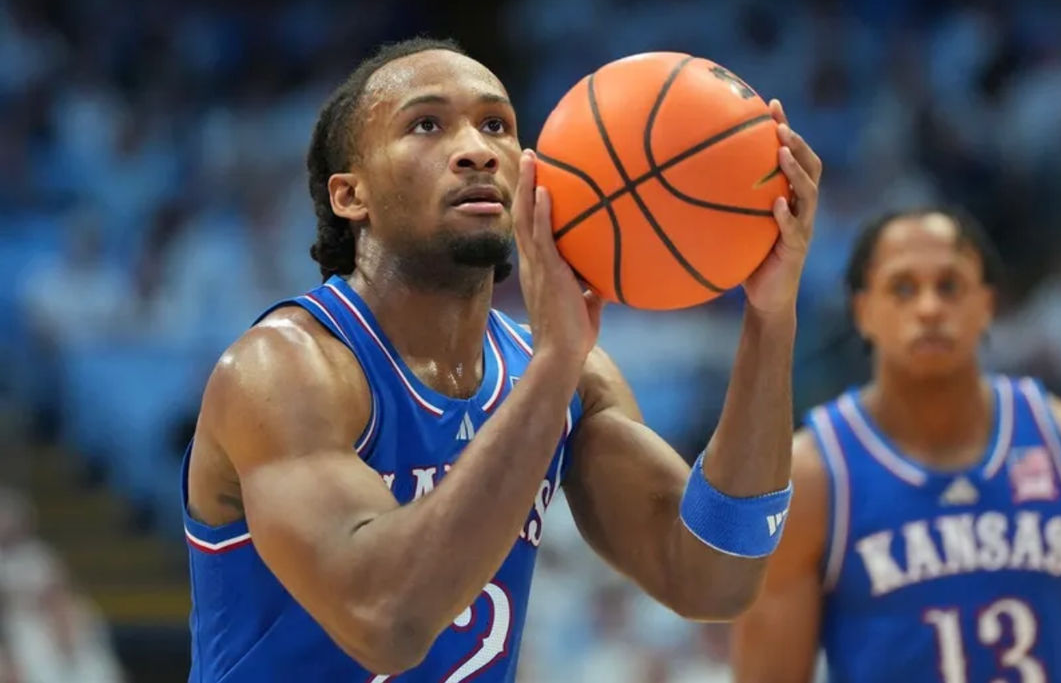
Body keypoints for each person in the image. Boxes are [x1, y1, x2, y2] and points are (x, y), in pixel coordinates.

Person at [182, 37, 822, 681]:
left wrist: (770, 320)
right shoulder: (284, 371)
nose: (477, 149)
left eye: (496, 125)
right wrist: (554, 366)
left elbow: (712, 578)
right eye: (425, 125)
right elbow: (386, 621)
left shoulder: (569, 377)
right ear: (351, 196)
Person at [732, 208, 1061, 683]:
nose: (930, 308)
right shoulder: (809, 479)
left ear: (987, 303)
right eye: (902, 288)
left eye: (950, 286)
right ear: (862, 311)